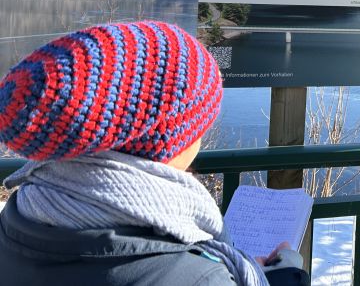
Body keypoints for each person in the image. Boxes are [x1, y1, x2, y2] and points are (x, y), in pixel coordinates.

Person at [0, 20, 308, 286]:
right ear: (169, 142)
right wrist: (284, 277)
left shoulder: (18, 221)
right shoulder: (189, 277)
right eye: (199, 126)